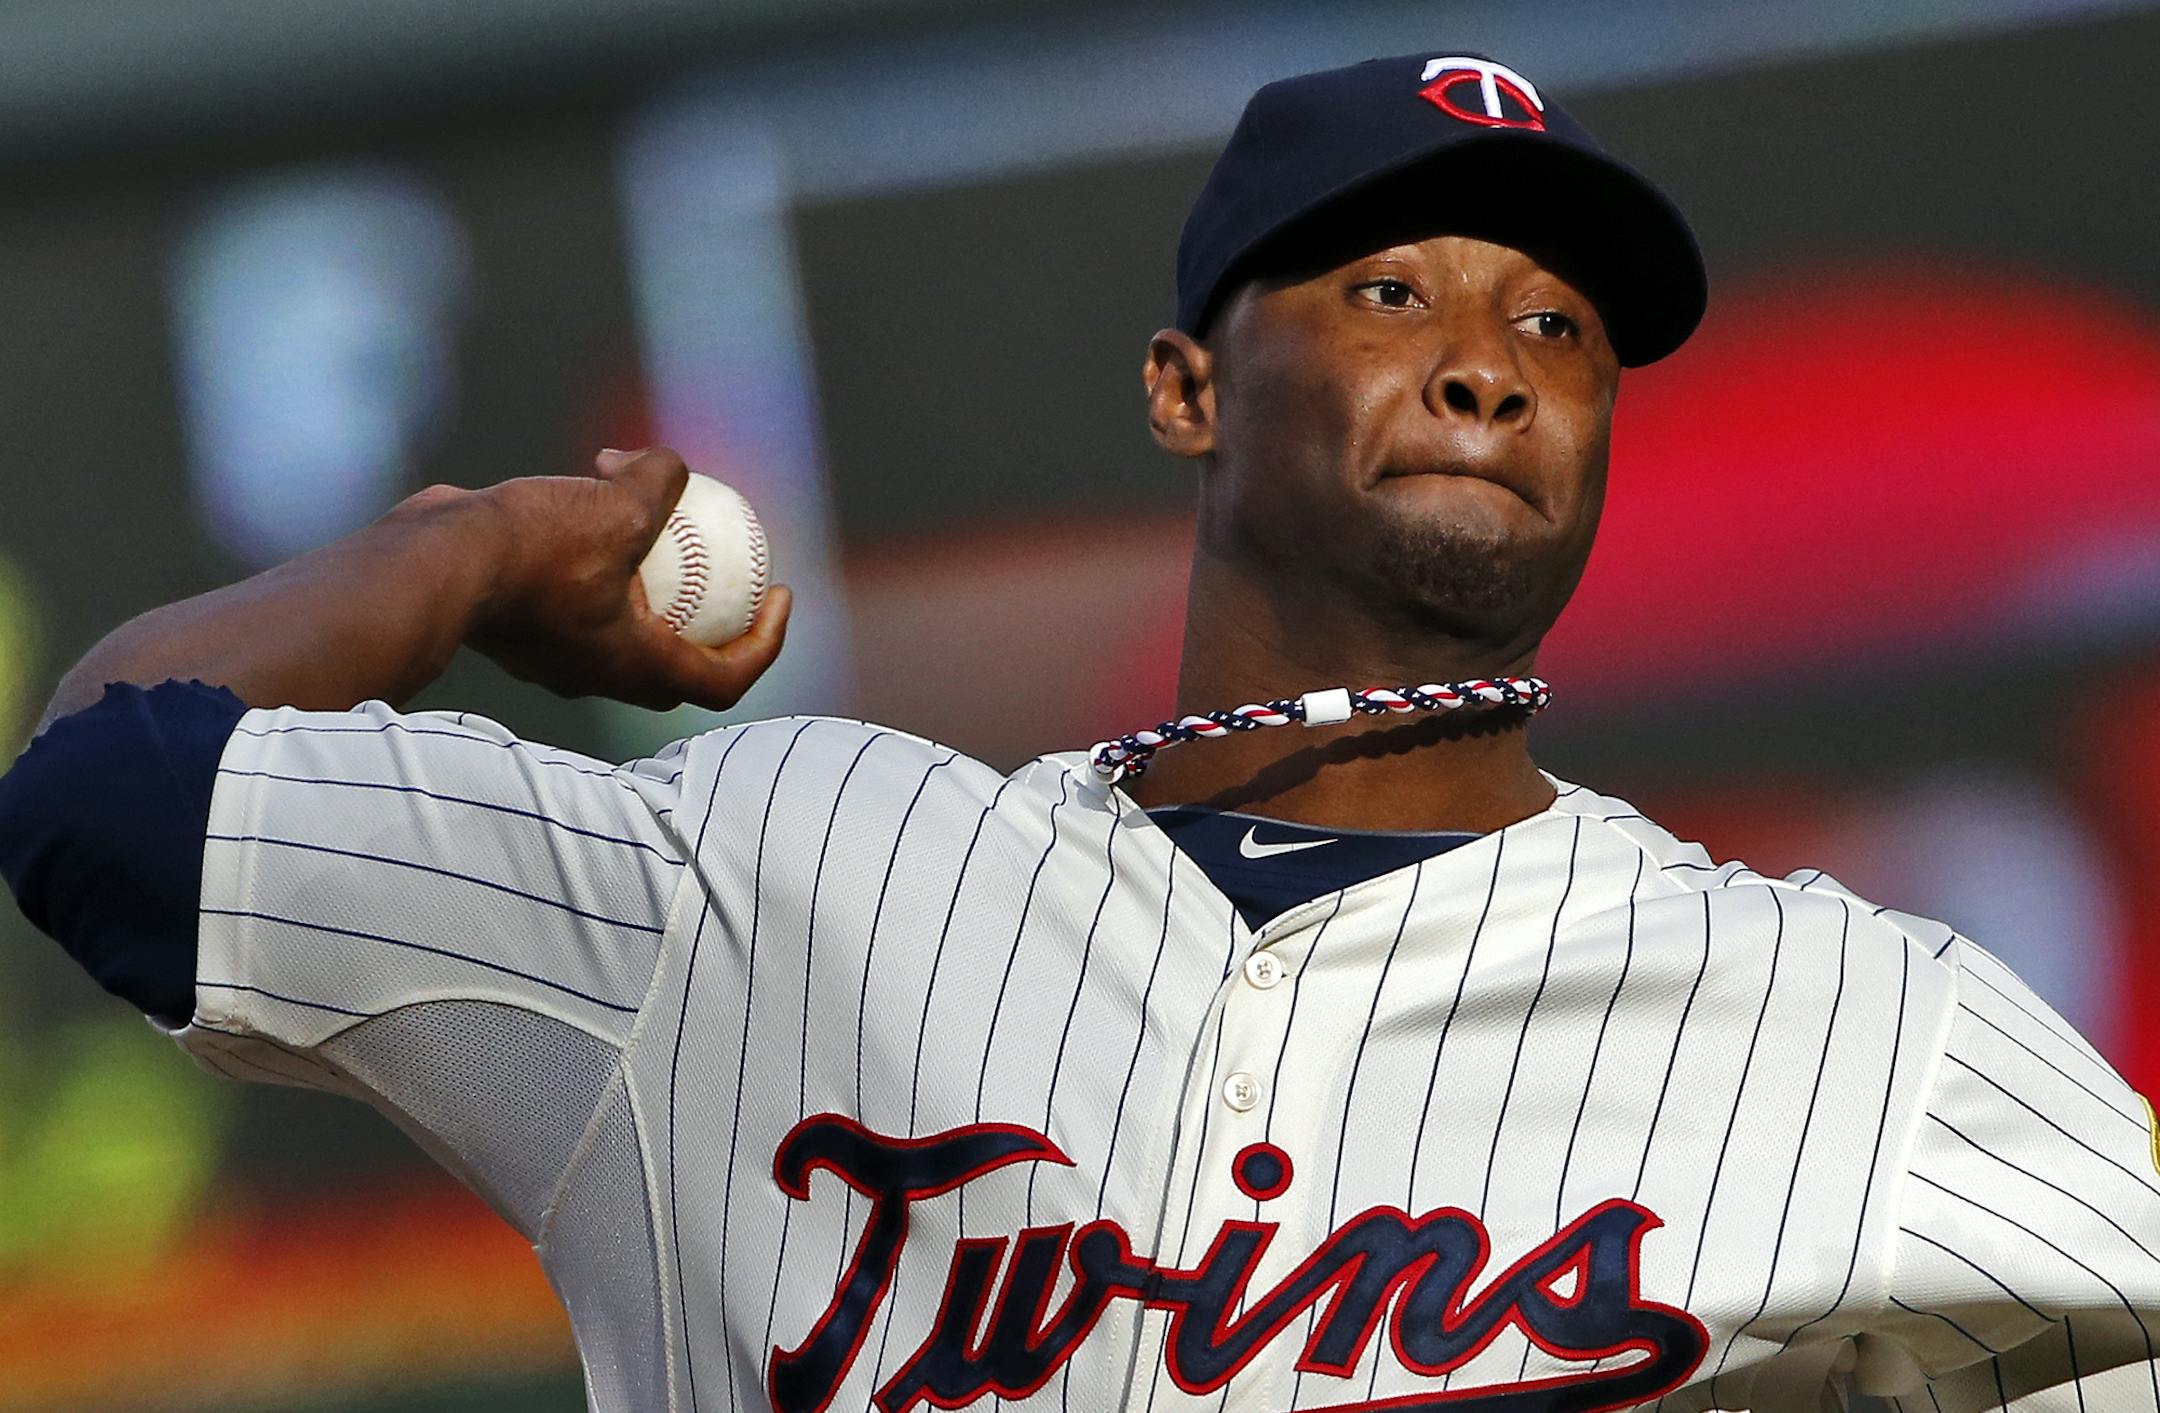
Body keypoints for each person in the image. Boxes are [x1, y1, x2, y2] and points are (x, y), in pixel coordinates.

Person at [3, 49, 2156, 1413]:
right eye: (1392, 290)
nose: (1491, 360)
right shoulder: (769, 873)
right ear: (1187, 389)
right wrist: (485, 547)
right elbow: (108, 794)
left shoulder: (1858, 1016)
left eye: (1558, 324)